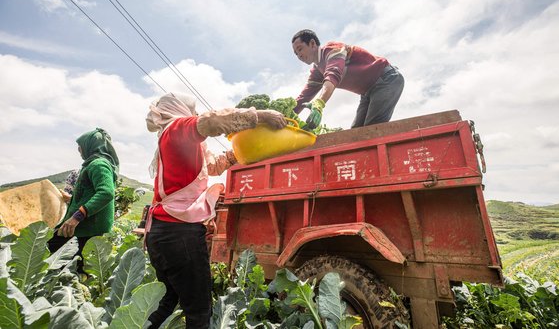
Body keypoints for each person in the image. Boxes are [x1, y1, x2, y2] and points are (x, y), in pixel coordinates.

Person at [144, 92, 286, 329]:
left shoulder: (171, 140)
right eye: (193, 110)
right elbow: (211, 121)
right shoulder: (178, 128)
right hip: (180, 234)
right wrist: (260, 116)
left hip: (161, 234)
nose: (196, 114)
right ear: (181, 110)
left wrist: (239, 153)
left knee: (169, 299)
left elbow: (211, 166)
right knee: (199, 311)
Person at [291, 29, 405, 130]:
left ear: (312, 43)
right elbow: (303, 98)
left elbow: (333, 74)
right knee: (356, 133)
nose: (299, 55)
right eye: (296, 54)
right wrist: (285, 117)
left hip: (386, 79)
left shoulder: (332, 49)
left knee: (371, 130)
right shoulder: (317, 71)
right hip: (367, 92)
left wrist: (319, 103)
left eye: (300, 49)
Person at [48, 128, 119, 272]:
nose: (79, 149)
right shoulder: (94, 164)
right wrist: (72, 199)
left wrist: (77, 216)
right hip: (84, 226)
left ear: (91, 145)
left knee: (55, 254)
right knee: (75, 267)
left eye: (81, 145)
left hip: (86, 227)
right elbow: (90, 192)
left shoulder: (98, 164)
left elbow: (106, 193)